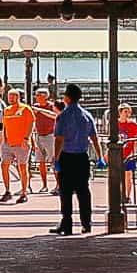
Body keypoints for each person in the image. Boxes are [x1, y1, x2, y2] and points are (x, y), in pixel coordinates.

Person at [51, 82, 99, 235]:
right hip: (82, 157)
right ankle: (86, 223)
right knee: (83, 190)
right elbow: (94, 137)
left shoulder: (63, 117)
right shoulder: (87, 115)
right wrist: (99, 156)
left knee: (65, 191)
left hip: (67, 156)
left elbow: (59, 139)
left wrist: (56, 158)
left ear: (67, 98)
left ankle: (67, 223)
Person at [0, 90, 35, 203]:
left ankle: (24, 192)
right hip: (8, 143)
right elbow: (5, 125)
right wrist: (3, 140)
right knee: (4, 165)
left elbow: (31, 123)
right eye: (9, 96)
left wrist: (26, 138)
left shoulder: (25, 108)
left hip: (21, 143)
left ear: (18, 97)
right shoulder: (7, 110)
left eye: (13, 96)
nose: (11, 98)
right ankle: (7, 191)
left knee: (22, 167)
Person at [30, 87, 56, 191]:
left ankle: (58, 184)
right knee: (41, 162)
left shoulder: (51, 106)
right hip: (39, 135)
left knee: (53, 161)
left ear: (45, 96)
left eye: (38, 95)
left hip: (50, 135)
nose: (36, 98)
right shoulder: (35, 107)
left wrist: (40, 110)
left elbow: (54, 116)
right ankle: (44, 185)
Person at [116, 101, 137, 203]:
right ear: (120, 112)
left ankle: (126, 196)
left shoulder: (132, 125)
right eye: (125, 111)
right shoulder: (115, 124)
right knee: (117, 176)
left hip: (128, 154)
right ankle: (118, 194)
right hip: (118, 154)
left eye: (129, 112)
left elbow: (136, 140)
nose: (127, 114)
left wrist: (133, 153)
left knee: (128, 175)